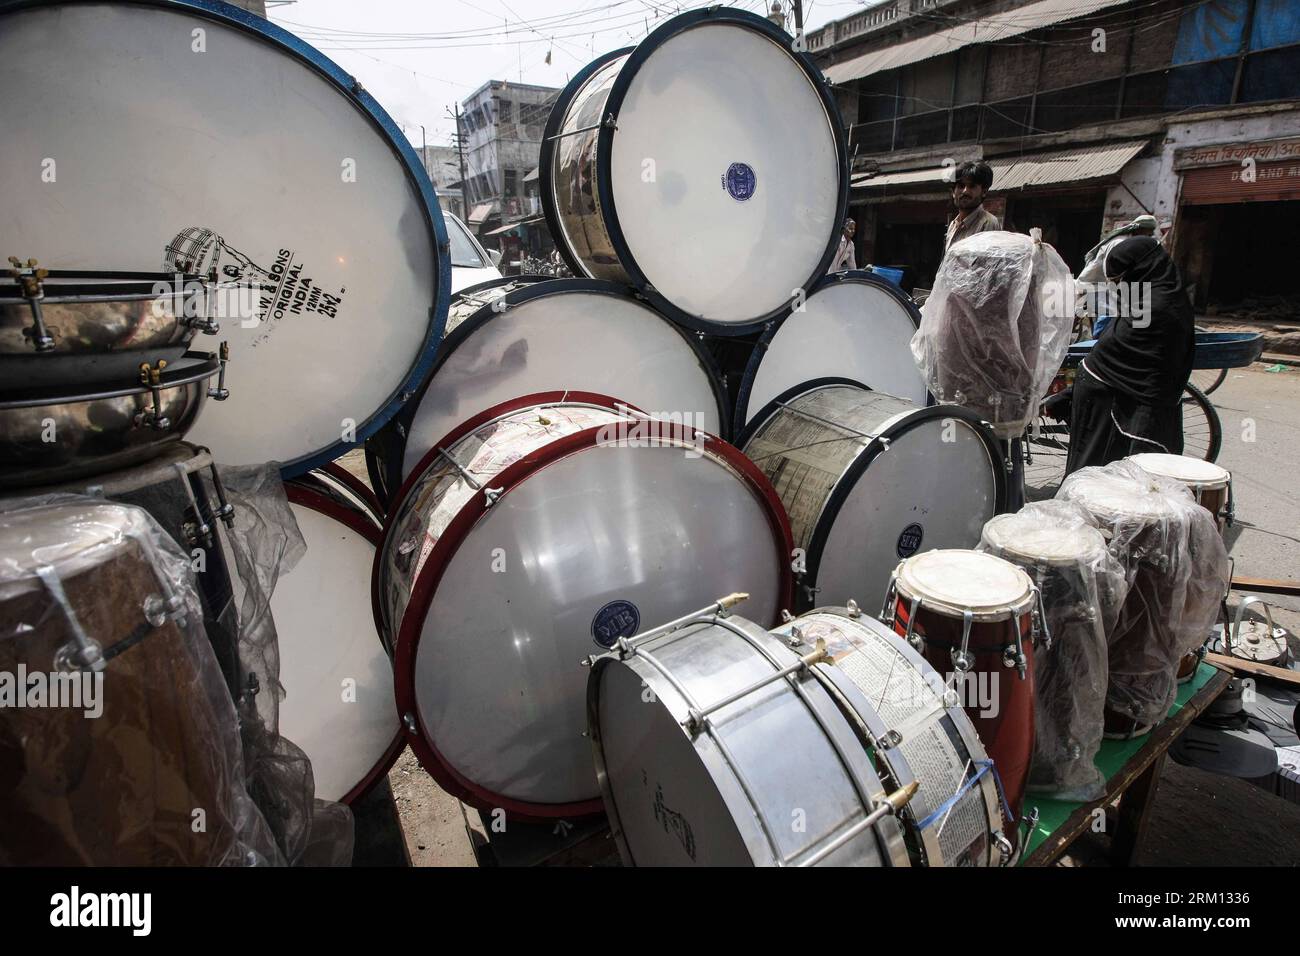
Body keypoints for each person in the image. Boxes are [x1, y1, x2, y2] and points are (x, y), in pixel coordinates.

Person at [1065, 236, 1194, 473]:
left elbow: (1122, 352)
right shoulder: (1168, 292)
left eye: (1122, 279)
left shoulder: (1156, 306)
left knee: (1099, 469)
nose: (1120, 286)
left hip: (1111, 397)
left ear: (1139, 269)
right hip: (1114, 389)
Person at [944, 161, 1000, 254]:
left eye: (972, 186)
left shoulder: (987, 223)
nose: (965, 191)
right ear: (953, 192)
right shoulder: (953, 225)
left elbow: (986, 265)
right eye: (961, 186)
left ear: (984, 192)